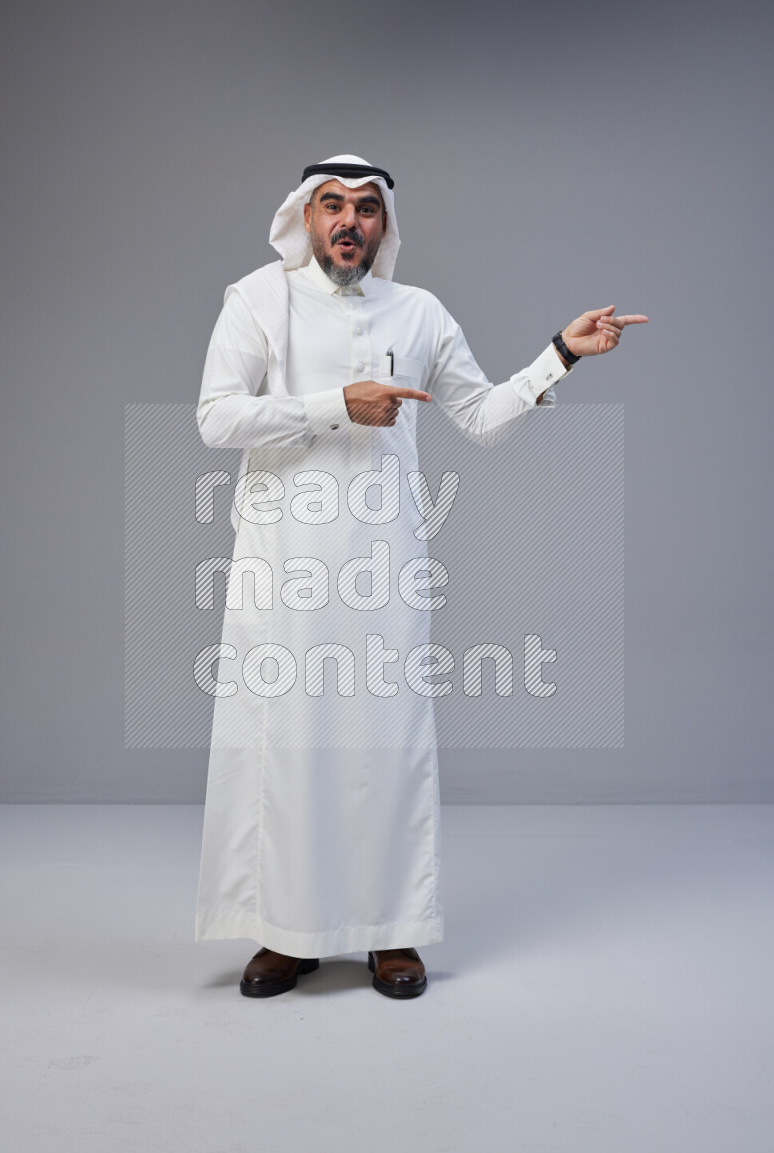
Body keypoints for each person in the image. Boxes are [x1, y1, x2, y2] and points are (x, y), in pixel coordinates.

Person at [193, 154, 648, 999]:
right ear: (304, 216)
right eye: (333, 205)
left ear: (385, 225)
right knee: (287, 748)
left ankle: (390, 932)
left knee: (384, 746)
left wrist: (560, 356)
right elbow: (216, 415)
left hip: (384, 567)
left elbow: (479, 417)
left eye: (366, 209)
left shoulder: (421, 311)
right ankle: (286, 934)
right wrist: (338, 404)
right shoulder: (256, 300)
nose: (349, 222)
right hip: (282, 570)